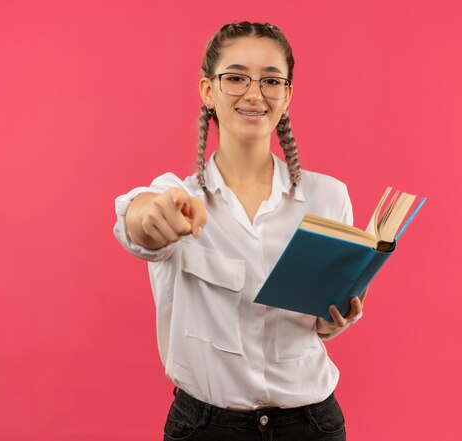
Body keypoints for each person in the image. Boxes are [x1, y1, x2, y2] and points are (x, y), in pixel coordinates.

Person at [113, 21, 367, 441]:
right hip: (205, 428)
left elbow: (319, 321)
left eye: (271, 80)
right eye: (235, 78)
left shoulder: (329, 197)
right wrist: (150, 216)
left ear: (287, 95)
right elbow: (136, 223)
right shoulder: (177, 196)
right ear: (207, 91)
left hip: (312, 424)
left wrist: (333, 319)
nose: (254, 93)